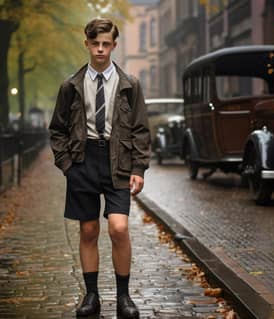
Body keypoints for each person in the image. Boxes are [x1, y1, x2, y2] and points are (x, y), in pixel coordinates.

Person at [49, 18, 150, 318]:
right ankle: (91, 296)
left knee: (119, 228)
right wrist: (67, 165)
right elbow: (57, 130)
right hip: (83, 161)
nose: (101, 49)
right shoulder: (71, 86)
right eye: (96, 44)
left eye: (106, 44)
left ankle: (123, 297)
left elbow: (141, 129)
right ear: (87, 44)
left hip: (118, 162)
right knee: (89, 229)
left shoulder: (130, 85)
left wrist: (139, 168)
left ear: (114, 45)